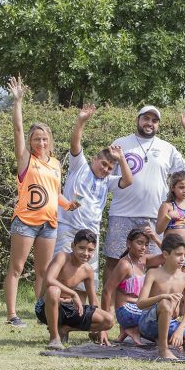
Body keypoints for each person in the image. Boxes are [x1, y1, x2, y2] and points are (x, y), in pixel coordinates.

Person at [104, 106, 185, 282]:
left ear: (158, 125)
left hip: (155, 217)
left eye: (154, 121)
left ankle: (144, 304)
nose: (150, 123)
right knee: (114, 261)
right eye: (146, 118)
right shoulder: (121, 143)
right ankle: (108, 307)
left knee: (154, 263)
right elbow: (105, 173)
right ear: (138, 120)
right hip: (122, 213)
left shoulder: (167, 148)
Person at [4, 76, 79, 328]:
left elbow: (52, 193)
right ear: (31, 142)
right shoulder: (26, 159)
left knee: (44, 272)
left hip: (49, 223)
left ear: (50, 140)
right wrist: (18, 102)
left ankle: (40, 311)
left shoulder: (56, 163)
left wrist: (68, 204)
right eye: (36, 139)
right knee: (16, 268)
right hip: (25, 220)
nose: (41, 142)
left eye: (44, 138)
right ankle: (12, 315)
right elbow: (17, 130)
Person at [55, 104, 133, 281]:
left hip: (91, 233)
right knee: (60, 269)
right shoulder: (80, 166)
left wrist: (121, 160)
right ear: (94, 159)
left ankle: (81, 307)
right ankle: (52, 305)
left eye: (110, 168)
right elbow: (75, 144)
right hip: (68, 228)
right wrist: (81, 121)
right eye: (103, 164)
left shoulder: (108, 181)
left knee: (86, 276)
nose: (106, 169)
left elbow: (128, 181)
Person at [35, 229, 114, 350]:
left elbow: (93, 301)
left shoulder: (88, 270)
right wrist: (74, 294)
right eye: (81, 248)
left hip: (69, 308)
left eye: (90, 250)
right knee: (54, 291)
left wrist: (101, 330)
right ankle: (54, 337)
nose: (85, 253)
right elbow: (49, 279)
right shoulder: (63, 257)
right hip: (46, 305)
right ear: (73, 246)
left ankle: (65, 329)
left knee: (108, 320)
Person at [135, 233, 185, 360]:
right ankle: (164, 349)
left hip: (171, 322)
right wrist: (162, 296)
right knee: (165, 303)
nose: (183, 259)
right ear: (166, 254)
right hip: (148, 323)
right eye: (178, 255)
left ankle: (162, 340)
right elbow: (140, 303)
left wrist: (180, 329)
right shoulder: (153, 273)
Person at [102, 227, 152, 343]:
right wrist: (104, 328)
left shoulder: (143, 261)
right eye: (139, 243)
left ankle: (130, 330)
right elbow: (106, 291)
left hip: (138, 308)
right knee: (159, 317)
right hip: (126, 311)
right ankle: (131, 328)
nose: (143, 247)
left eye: (146, 244)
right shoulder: (125, 265)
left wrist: (154, 237)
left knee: (162, 316)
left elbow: (166, 256)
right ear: (129, 243)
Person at [156, 171, 185, 269]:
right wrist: (168, 216)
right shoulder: (167, 206)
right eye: (181, 187)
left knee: (182, 280)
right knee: (168, 278)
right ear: (173, 188)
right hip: (171, 249)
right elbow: (158, 230)